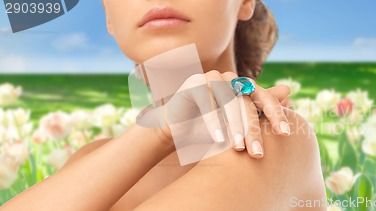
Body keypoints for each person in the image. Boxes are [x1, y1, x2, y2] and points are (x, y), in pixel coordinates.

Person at [1, 0, 327, 210]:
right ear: (108, 16)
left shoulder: (271, 138)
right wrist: (158, 131)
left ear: (244, 3)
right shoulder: (89, 159)